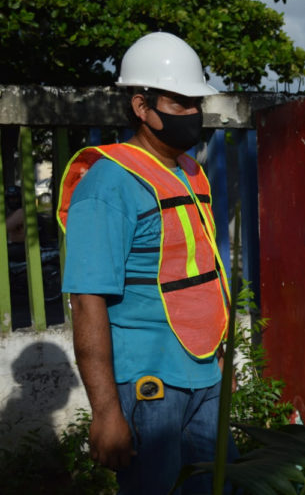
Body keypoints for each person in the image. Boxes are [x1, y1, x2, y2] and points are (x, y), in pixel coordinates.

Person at [57, 32, 236, 494]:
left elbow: (200, 276)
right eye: (180, 102)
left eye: (196, 102)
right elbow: (88, 300)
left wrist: (217, 361)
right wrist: (105, 413)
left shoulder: (190, 171)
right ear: (141, 106)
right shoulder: (108, 184)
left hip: (205, 375)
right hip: (148, 385)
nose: (193, 113)